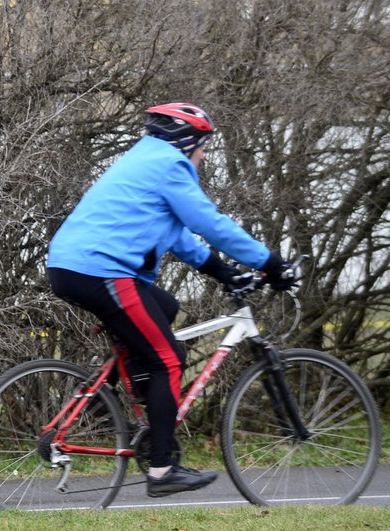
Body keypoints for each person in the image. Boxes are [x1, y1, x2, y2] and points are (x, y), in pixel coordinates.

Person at [47, 102, 295, 498]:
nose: (203, 153)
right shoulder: (168, 164)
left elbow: (179, 235)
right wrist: (271, 263)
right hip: (103, 270)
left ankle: (101, 400)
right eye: (202, 145)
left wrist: (222, 271)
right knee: (168, 360)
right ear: (185, 140)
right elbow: (209, 222)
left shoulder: (145, 160)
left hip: (77, 267)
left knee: (164, 308)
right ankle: (162, 470)